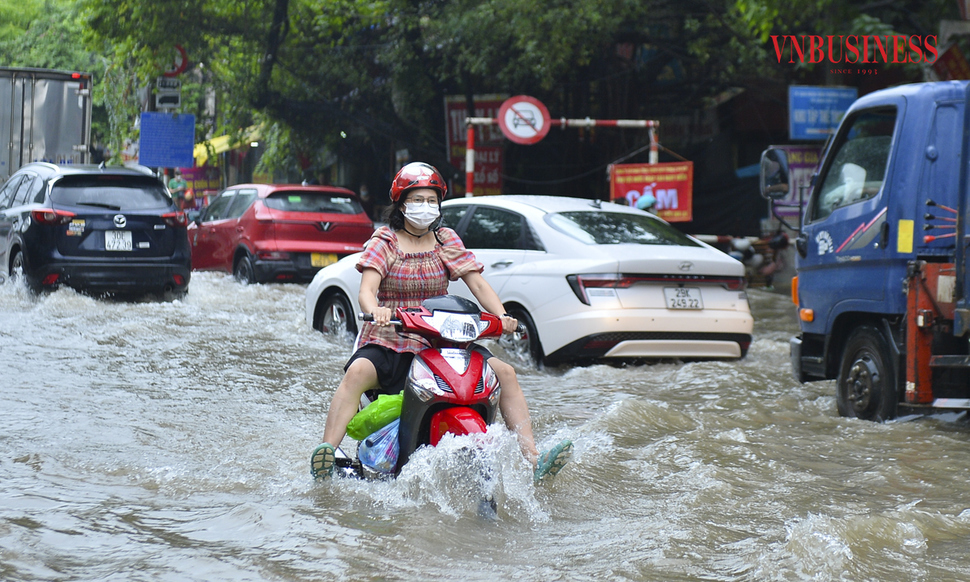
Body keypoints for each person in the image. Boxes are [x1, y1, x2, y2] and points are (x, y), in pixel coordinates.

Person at [310, 162, 572, 483]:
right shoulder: (386, 241)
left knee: (505, 373)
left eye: (431, 200)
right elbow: (367, 290)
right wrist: (376, 310)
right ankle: (327, 451)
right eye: (417, 199)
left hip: (443, 339)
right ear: (401, 203)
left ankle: (532, 459)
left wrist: (502, 316)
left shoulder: (446, 239)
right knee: (358, 372)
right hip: (391, 335)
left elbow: (477, 283)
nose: (425, 207)